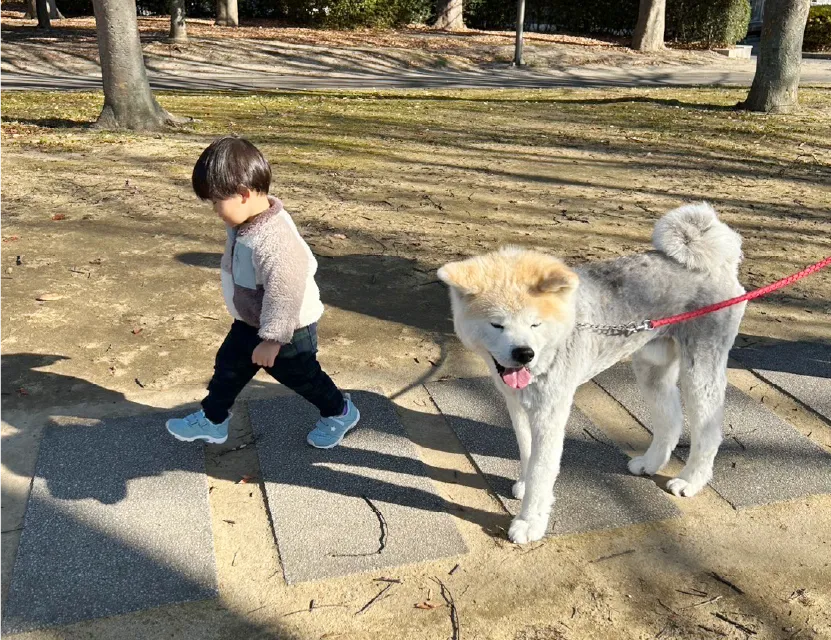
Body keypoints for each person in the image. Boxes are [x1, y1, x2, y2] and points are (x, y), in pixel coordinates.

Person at [166, 136, 359, 449]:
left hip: (287, 330)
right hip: (251, 320)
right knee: (228, 365)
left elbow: (285, 291)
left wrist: (272, 340)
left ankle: (340, 412)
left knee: (304, 378)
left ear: (243, 195)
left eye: (216, 202)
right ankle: (213, 418)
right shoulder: (247, 220)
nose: (214, 210)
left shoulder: (275, 240)